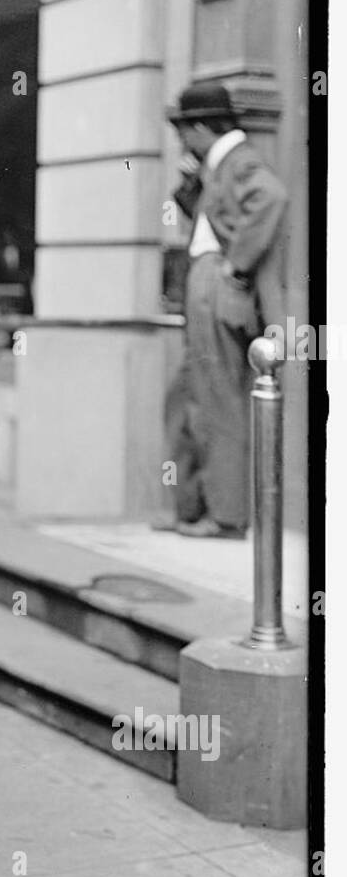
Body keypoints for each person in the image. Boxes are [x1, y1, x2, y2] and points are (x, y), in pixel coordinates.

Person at [160, 81, 287, 538]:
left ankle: (227, 516)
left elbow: (270, 197)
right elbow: (210, 216)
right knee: (188, 397)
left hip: (216, 282)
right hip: (207, 282)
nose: (180, 139)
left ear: (199, 127)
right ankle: (193, 507)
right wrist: (193, 183)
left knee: (217, 400)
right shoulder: (221, 164)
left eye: (183, 129)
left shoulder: (238, 158)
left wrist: (236, 266)